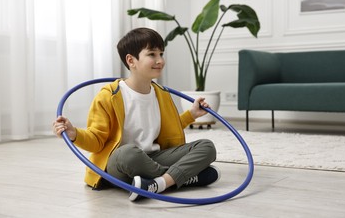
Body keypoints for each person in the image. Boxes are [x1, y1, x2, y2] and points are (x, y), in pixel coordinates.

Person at [52, 27, 220, 201]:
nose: (160, 60)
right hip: (121, 162)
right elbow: (96, 140)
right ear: (131, 60)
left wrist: (191, 114)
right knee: (128, 153)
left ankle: (156, 184)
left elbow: (169, 128)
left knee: (207, 146)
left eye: (161, 54)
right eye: (152, 54)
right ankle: (184, 177)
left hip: (153, 158)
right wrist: (74, 134)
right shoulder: (109, 96)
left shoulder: (162, 94)